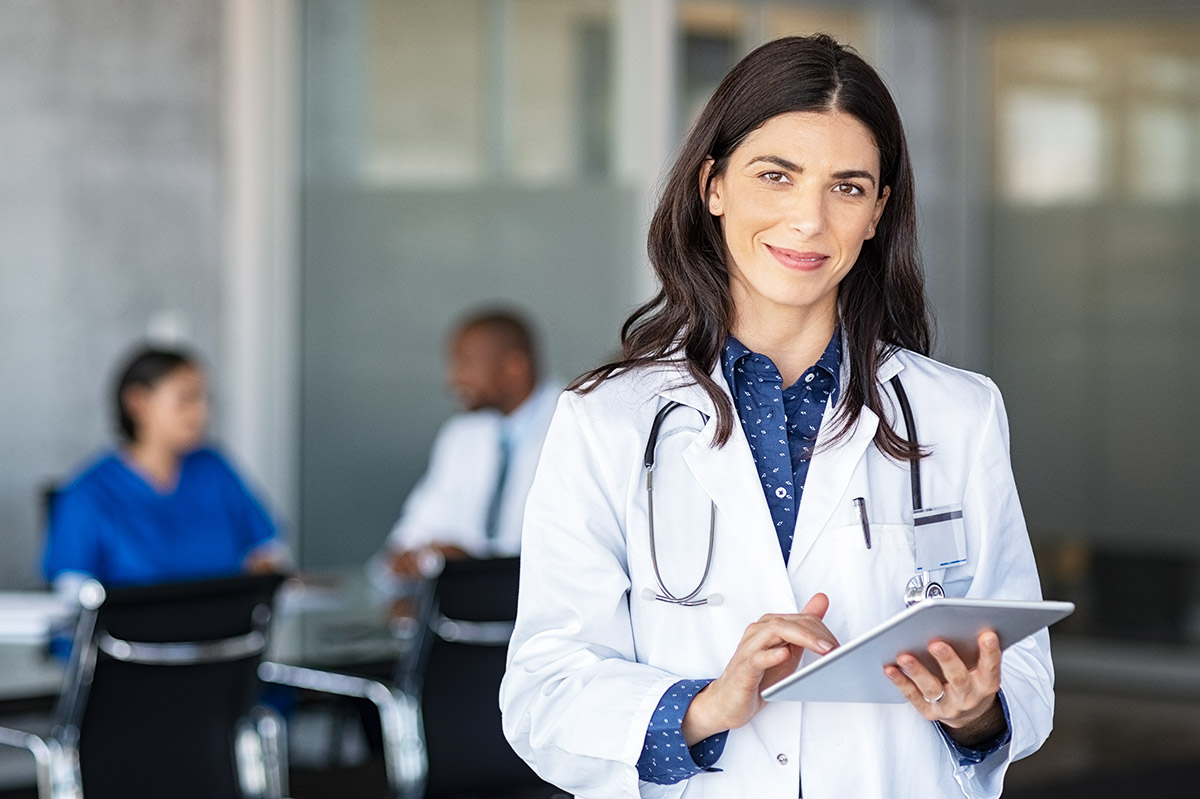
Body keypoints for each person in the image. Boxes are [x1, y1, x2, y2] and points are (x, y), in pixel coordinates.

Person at [500, 35, 1053, 798]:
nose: (809, 219)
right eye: (777, 175)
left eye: (848, 187)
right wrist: (702, 707)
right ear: (713, 185)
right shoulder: (608, 420)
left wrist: (975, 711)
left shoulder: (958, 413)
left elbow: (1022, 665)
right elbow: (543, 690)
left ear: (877, 213)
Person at [42, 346, 285, 594]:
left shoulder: (214, 470)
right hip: (128, 633)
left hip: (225, 630)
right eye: (185, 400)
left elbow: (266, 550)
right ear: (138, 402)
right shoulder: (88, 494)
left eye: (204, 399)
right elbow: (72, 590)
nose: (202, 413)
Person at [370, 309, 559, 583]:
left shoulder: (576, 428)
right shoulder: (461, 436)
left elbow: (563, 555)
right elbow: (413, 532)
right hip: (462, 616)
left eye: (467, 364)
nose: (454, 379)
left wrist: (472, 564)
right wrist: (410, 556)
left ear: (514, 367)